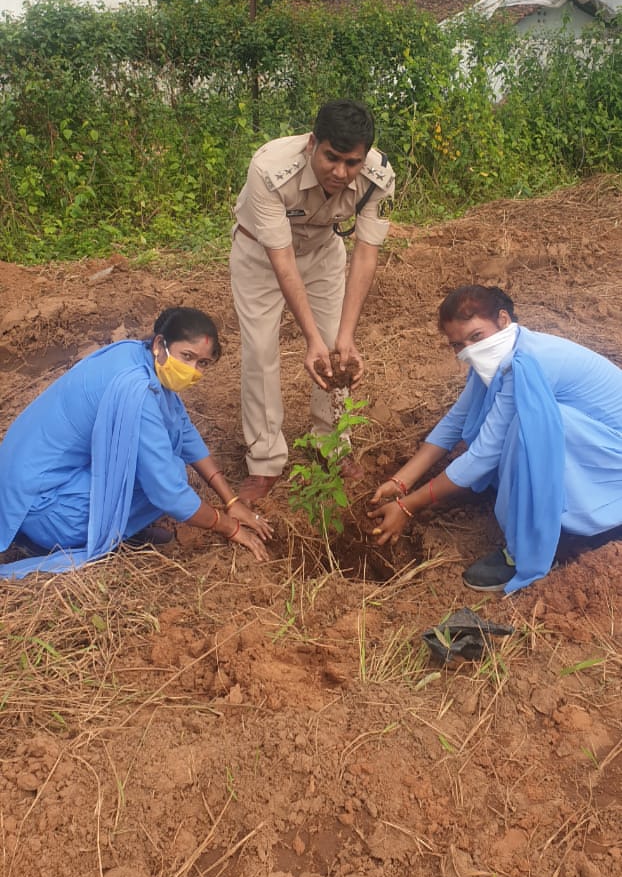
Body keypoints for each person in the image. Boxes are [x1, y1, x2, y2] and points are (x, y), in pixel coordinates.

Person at [368, 285, 622, 593]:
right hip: (592, 446)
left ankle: (538, 546)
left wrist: (408, 506)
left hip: (611, 462)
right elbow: (455, 421)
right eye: (457, 344)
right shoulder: (500, 359)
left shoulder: (529, 363)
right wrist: (401, 481)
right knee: (525, 424)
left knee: (529, 426)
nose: (469, 350)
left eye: (476, 337)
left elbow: (483, 456)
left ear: (503, 320)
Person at [0, 307, 272, 579]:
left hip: (20, 492)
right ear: (159, 344)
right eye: (187, 357)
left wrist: (231, 499)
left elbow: (182, 428)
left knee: (162, 453)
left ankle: (118, 525)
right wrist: (230, 528)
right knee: (171, 472)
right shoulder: (137, 392)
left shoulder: (133, 355)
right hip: (45, 511)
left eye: (202, 363)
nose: (192, 371)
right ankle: (93, 533)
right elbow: (170, 494)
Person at [230, 99, 395, 503]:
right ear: (311, 145)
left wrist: (345, 335)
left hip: (323, 249)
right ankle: (265, 461)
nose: (340, 172)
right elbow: (282, 260)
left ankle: (332, 445)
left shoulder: (378, 176)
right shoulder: (269, 169)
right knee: (261, 352)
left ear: (365, 157)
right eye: (331, 158)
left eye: (352, 162)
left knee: (337, 352)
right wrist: (310, 339)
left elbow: (366, 254)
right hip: (261, 256)